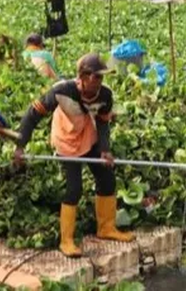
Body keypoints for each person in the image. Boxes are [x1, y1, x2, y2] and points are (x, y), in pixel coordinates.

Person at [14, 53, 135, 258]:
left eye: (101, 77)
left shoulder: (105, 95)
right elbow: (32, 115)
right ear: (83, 77)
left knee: (107, 178)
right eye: (96, 77)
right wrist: (20, 146)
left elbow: (104, 123)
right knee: (74, 188)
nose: (100, 81)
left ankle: (106, 228)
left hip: (88, 136)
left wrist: (105, 150)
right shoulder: (61, 91)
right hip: (66, 140)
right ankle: (66, 240)